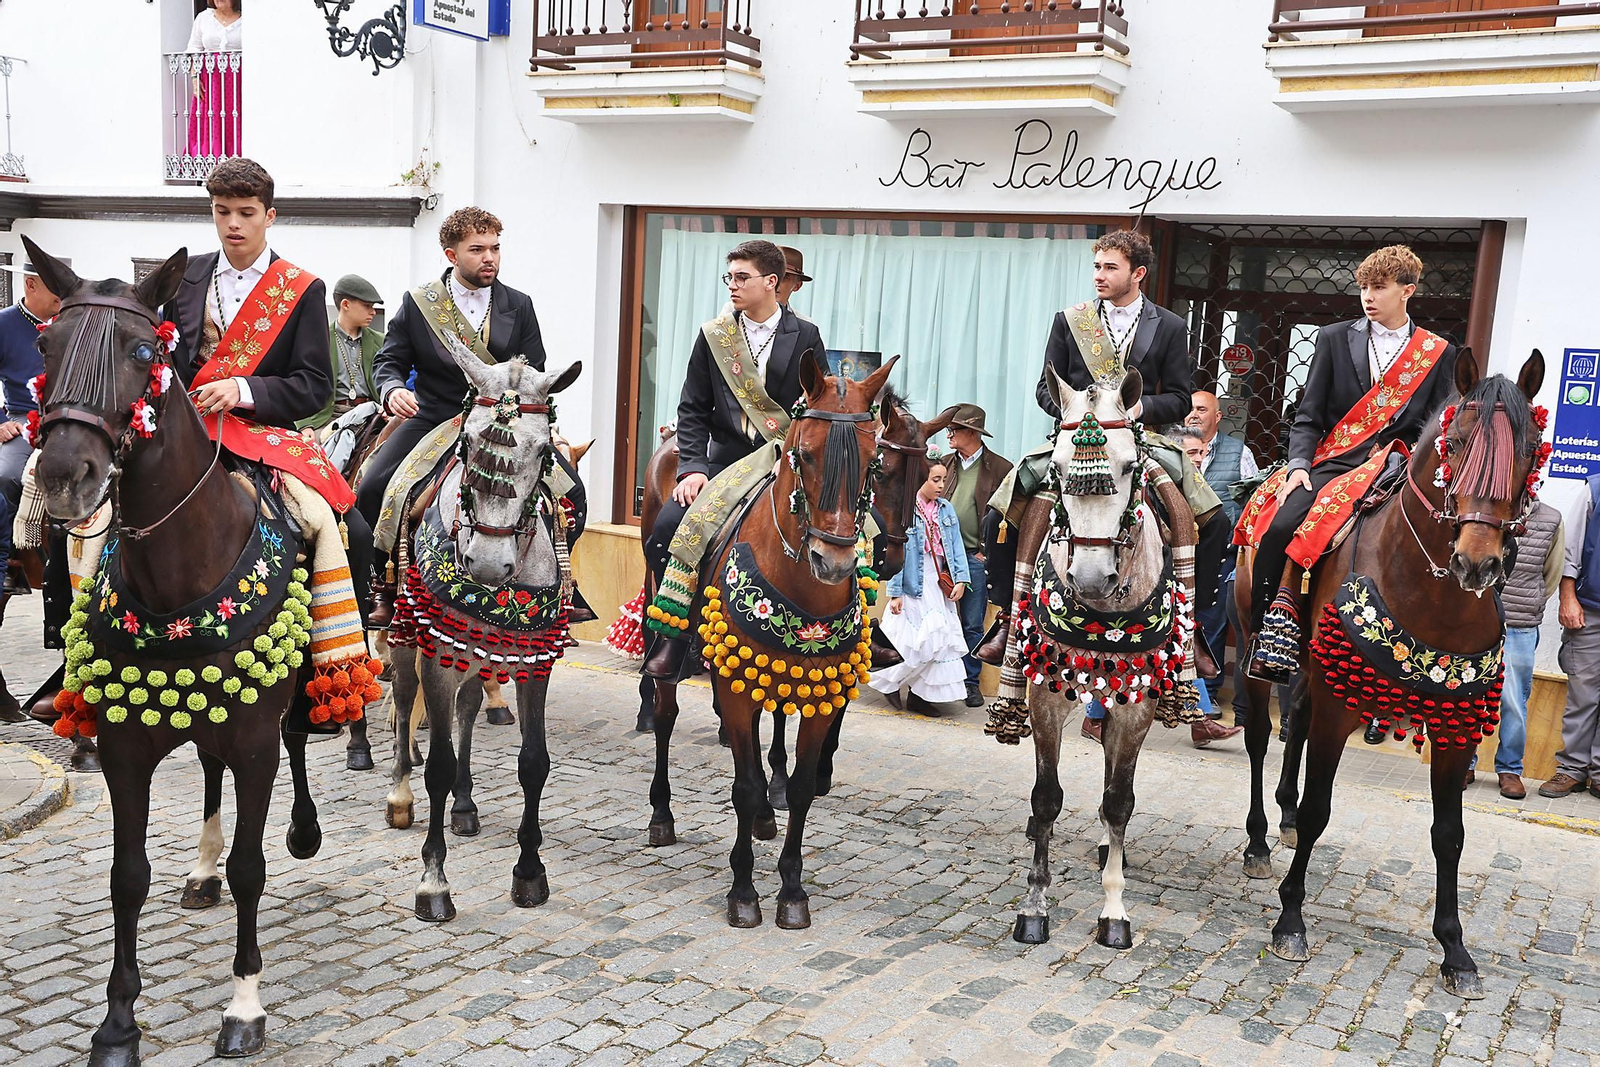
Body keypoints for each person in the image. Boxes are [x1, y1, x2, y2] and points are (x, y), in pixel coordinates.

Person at [977, 229, 1226, 677]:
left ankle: (1194, 631)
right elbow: (1043, 389)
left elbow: (1180, 397)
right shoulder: (1068, 320)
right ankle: (1008, 619)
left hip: (1140, 440)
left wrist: (1136, 408)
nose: (1099, 275)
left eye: (1111, 267)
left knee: (1216, 520)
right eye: (1097, 266)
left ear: (1139, 273)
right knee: (999, 515)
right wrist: (1075, 414)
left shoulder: (1168, 325)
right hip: (1075, 439)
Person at [359, 206, 587, 630]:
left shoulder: (518, 304)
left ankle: (562, 581)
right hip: (434, 416)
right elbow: (389, 359)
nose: (490, 258)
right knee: (374, 487)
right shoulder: (419, 303)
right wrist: (393, 390)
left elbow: (532, 368)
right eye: (477, 249)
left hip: (503, 423)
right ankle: (384, 585)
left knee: (573, 495)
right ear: (451, 255)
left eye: (496, 249)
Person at [1243, 246, 1456, 680]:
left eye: (1379, 288)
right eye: (1363, 288)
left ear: (1407, 291)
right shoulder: (1334, 337)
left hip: (1397, 469)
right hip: (1336, 461)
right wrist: (1299, 464)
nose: (1368, 297)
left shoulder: (1438, 352)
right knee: (1283, 525)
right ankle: (1267, 634)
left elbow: (1438, 427)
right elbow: (1308, 415)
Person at [641, 239, 827, 679]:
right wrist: (691, 469)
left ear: (772, 282)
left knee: (859, 526)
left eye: (742, 277)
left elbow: (817, 403)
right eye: (730, 277)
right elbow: (692, 407)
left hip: (783, 459)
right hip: (724, 461)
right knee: (668, 528)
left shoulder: (807, 335)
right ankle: (676, 637)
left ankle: (858, 627)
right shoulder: (714, 335)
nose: (733, 286)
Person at [0, 255, 65, 721]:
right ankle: (14, 557)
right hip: (20, 422)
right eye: (54, 291)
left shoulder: (67, 324)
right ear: (30, 285)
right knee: (7, 474)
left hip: (63, 423)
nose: (61, 299)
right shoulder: (5, 324)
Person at [1459, 499, 1559, 798]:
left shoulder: (1551, 519)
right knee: (1467, 695)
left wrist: (1530, 603)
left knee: (1514, 701)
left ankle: (1509, 770)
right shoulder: (1480, 512)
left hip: (1519, 624)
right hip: (1475, 621)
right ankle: (1463, 762)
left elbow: (1551, 574)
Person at [872, 458, 970, 713]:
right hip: (911, 581)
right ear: (920, 480)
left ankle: (919, 694)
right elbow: (897, 550)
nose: (940, 486)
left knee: (939, 639)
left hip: (937, 581)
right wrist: (894, 592)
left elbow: (956, 546)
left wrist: (961, 578)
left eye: (943, 480)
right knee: (907, 639)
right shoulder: (905, 510)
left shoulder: (946, 509)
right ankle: (890, 683)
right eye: (935, 480)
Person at [1186, 391, 1260, 701]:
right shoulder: (1172, 449)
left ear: (1217, 417)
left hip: (1219, 555)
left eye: (1201, 410)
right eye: (1189, 409)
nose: (1193, 415)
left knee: (1210, 624)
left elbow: (1254, 502)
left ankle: (1208, 694)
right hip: (1176, 552)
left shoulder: (1238, 452)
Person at [936, 403, 1011, 707]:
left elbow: (1009, 516)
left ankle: (969, 682)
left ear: (972, 432)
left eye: (954, 429)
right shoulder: (942, 464)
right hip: (939, 557)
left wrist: (988, 552)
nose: (949, 434)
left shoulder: (1002, 468)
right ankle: (936, 683)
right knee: (937, 621)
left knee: (971, 624)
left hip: (973, 558)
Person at [1541, 482, 1600, 799]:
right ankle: (1572, 770)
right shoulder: (1596, 488)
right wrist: (1568, 597)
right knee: (1583, 694)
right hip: (1592, 610)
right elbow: (1572, 548)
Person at [299, 273, 383, 432]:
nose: (373, 312)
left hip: (372, 416)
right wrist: (305, 425)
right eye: (367, 306)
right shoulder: (318, 339)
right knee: (310, 454)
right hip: (328, 418)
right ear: (345, 304)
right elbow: (301, 382)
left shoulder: (381, 341)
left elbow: (389, 379)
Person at [185, 0, 243, 160]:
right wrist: (195, 79)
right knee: (211, 120)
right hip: (211, 81)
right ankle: (209, 161)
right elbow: (195, 49)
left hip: (237, 79)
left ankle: (237, 160)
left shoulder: (246, 19)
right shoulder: (204, 18)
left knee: (235, 118)